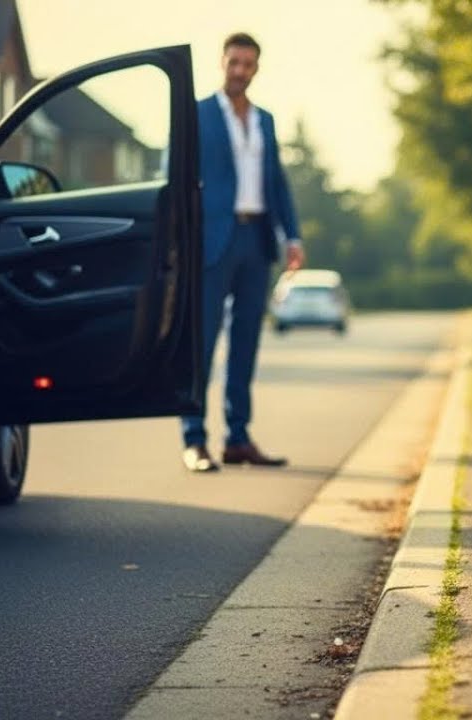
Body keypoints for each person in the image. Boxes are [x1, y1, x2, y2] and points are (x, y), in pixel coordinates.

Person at [181, 32, 305, 473]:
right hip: (213, 242)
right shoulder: (196, 114)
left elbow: (277, 181)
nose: (240, 71)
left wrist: (293, 236)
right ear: (222, 61)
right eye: (234, 62)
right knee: (203, 341)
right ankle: (194, 440)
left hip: (256, 241)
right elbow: (176, 179)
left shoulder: (264, 120)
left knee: (246, 343)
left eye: (248, 64)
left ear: (256, 68)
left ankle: (238, 437)